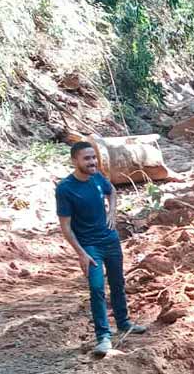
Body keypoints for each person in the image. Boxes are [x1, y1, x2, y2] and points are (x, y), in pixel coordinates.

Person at [57, 141, 145, 357]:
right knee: (96, 289)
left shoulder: (97, 178)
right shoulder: (65, 189)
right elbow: (65, 227)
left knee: (117, 282)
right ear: (74, 160)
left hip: (111, 241)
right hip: (90, 246)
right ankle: (103, 337)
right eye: (87, 158)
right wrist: (81, 253)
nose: (92, 162)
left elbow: (112, 191)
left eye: (93, 157)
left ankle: (123, 323)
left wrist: (112, 213)